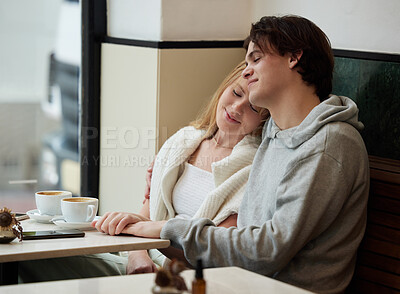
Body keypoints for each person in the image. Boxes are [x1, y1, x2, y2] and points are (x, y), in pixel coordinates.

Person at [96, 15, 370, 294]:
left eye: (257, 58)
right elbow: (220, 144)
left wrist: (163, 230)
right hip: (238, 283)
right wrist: (161, 171)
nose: (247, 71)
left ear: (294, 58)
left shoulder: (329, 145)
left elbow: (268, 250)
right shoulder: (278, 131)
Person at [18, 61, 269, 282]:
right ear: (224, 87)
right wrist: (136, 254)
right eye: (236, 93)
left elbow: (212, 252)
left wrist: (143, 235)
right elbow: (147, 209)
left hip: (179, 277)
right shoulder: (184, 141)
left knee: (35, 263)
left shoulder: (249, 171)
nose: (237, 107)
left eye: (254, 108)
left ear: (264, 120)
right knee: (31, 254)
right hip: (142, 256)